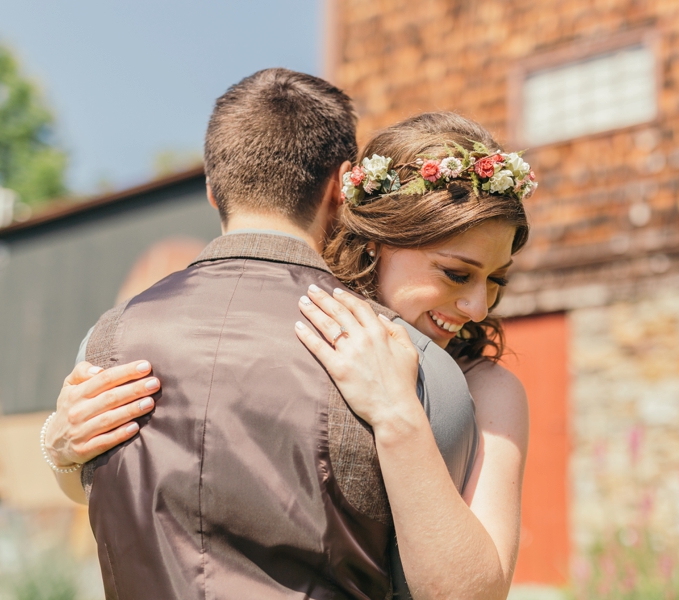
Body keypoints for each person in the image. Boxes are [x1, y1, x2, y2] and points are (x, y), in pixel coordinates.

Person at [46, 109, 533, 597]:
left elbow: (475, 593)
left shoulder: (484, 388)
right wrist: (62, 446)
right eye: (455, 273)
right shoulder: (293, 328)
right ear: (378, 243)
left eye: (497, 280)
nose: (478, 306)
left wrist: (398, 416)